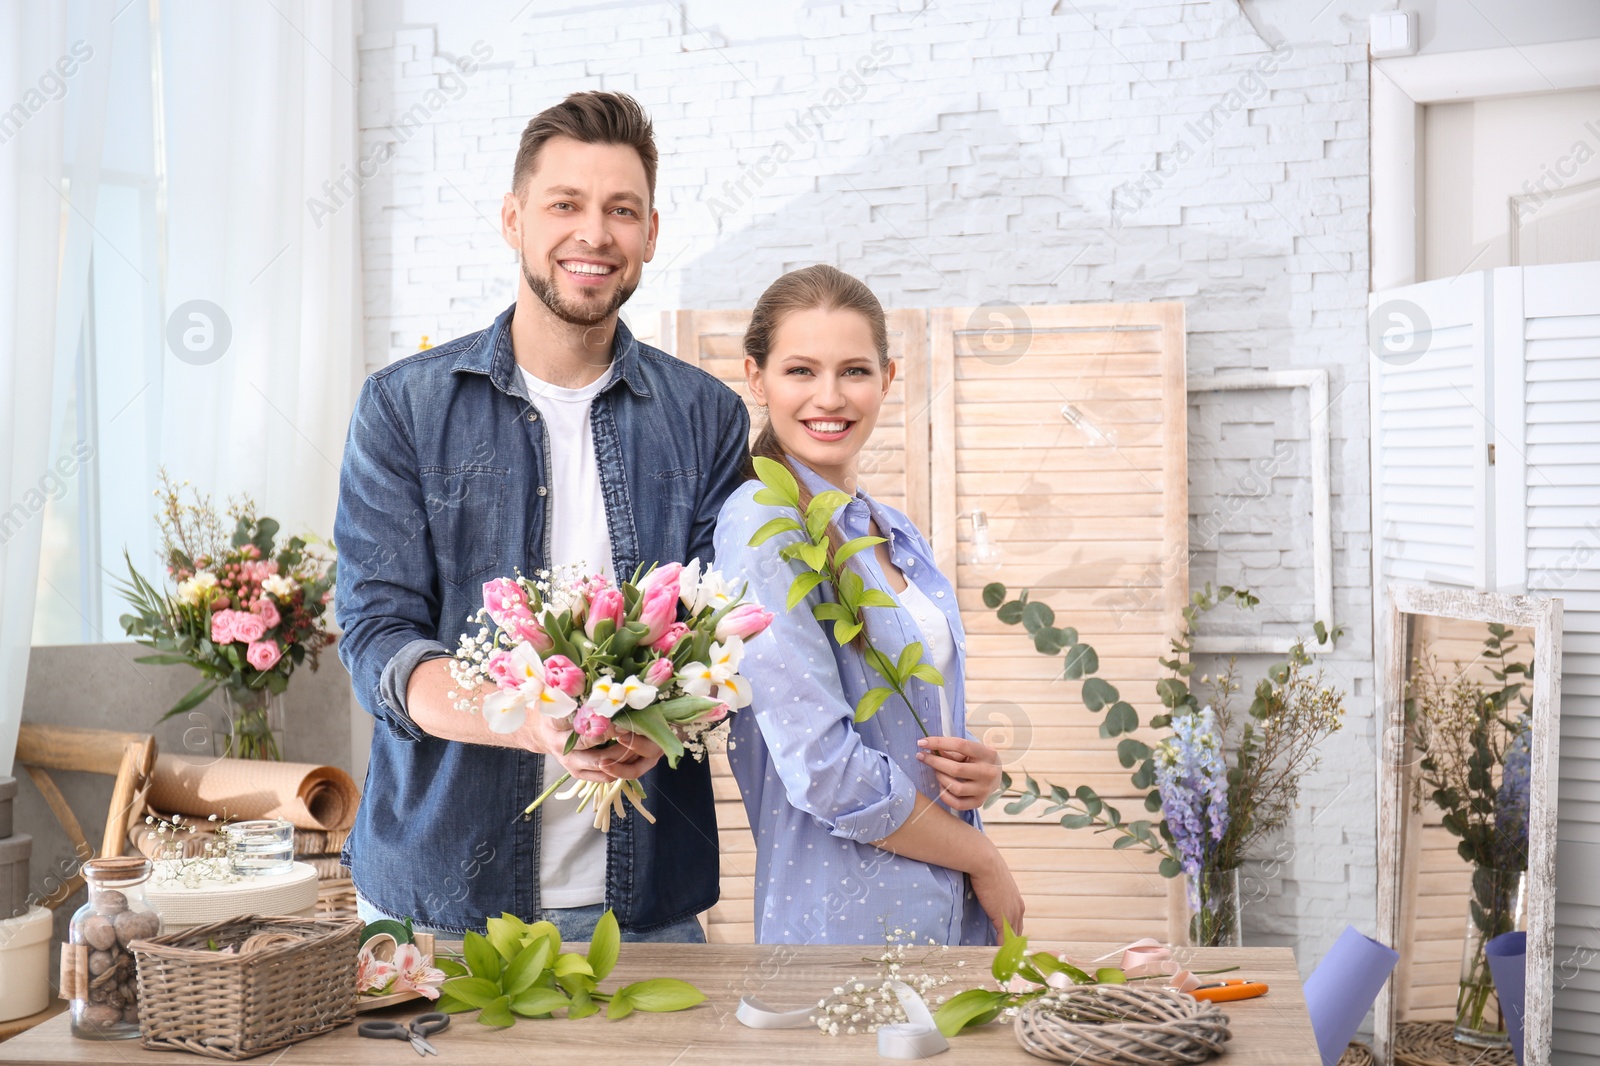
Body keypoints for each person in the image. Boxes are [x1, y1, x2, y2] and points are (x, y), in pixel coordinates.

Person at [334, 91, 750, 940]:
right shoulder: (404, 408)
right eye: (566, 204)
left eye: (621, 211)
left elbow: (729, 629)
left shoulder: (707, 416)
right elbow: (377, 637)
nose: (593, 234)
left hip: (647, 910)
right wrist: (527, 720)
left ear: (651, 233)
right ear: (515, 219)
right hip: (440, 905)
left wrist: (657, 724)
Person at [712, 264, 1022, 945]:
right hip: (845, 934)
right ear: (755, 378)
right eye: (800, 371)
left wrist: (977, 772)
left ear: (887, 378)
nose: (830, 397)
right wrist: (983, 858)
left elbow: (907, 729)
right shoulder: (763, 524)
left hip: (946, 917)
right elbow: (822, 767)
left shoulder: (888, 528)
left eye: (853, 371)